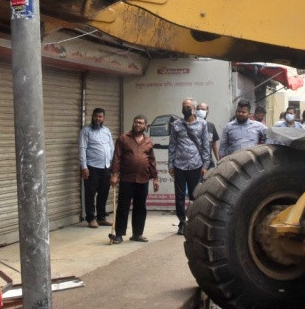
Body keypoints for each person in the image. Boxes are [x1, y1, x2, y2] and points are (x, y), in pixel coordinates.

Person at [109, 115, 159, 244]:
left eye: (141, 123)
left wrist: (155, 178)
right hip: (127, 178)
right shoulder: (123, 138)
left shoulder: (148, 141)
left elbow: (152, 160)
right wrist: (114, 174)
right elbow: (117, 157)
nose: (137, 124)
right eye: (136, 122)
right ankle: (119, 234)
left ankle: (137, 234)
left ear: (145, 126)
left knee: (140, 207)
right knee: (123, 207)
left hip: (143, 179)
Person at [169, 98, 211, 235]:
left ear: (193, 109)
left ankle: (193, 221)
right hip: (179, 165)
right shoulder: (176, 125)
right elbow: (172, 145)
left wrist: (205, 165)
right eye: (183, 106)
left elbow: (206, 146)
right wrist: (170, 164)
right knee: (179, 196)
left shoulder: (203, 124)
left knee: (195, 195)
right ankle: (182, 222)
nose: (185, 109)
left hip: (196, 165)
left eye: (188, 106)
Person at [79, 107, 114, 228]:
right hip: (92, 167)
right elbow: (82, 148)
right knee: (90, 194)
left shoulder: (107, 131)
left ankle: (101, 217)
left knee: (104, 193)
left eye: (100, 117)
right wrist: (84, 167)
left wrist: (113, 166)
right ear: (92, 117)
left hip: (106, 167)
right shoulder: (86, 130)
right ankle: (91, 218)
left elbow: (111, 148)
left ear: (103, 118)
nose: (97, 119)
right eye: (96, 116)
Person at [195, 101, 220, 167]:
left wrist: (218, 160)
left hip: (208, 161)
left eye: (203, 109)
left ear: (207, 111)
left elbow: (214, 144)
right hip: (194, 162)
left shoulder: (211, 126)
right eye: (198, 109)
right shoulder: (191, 125)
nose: (200, 111)